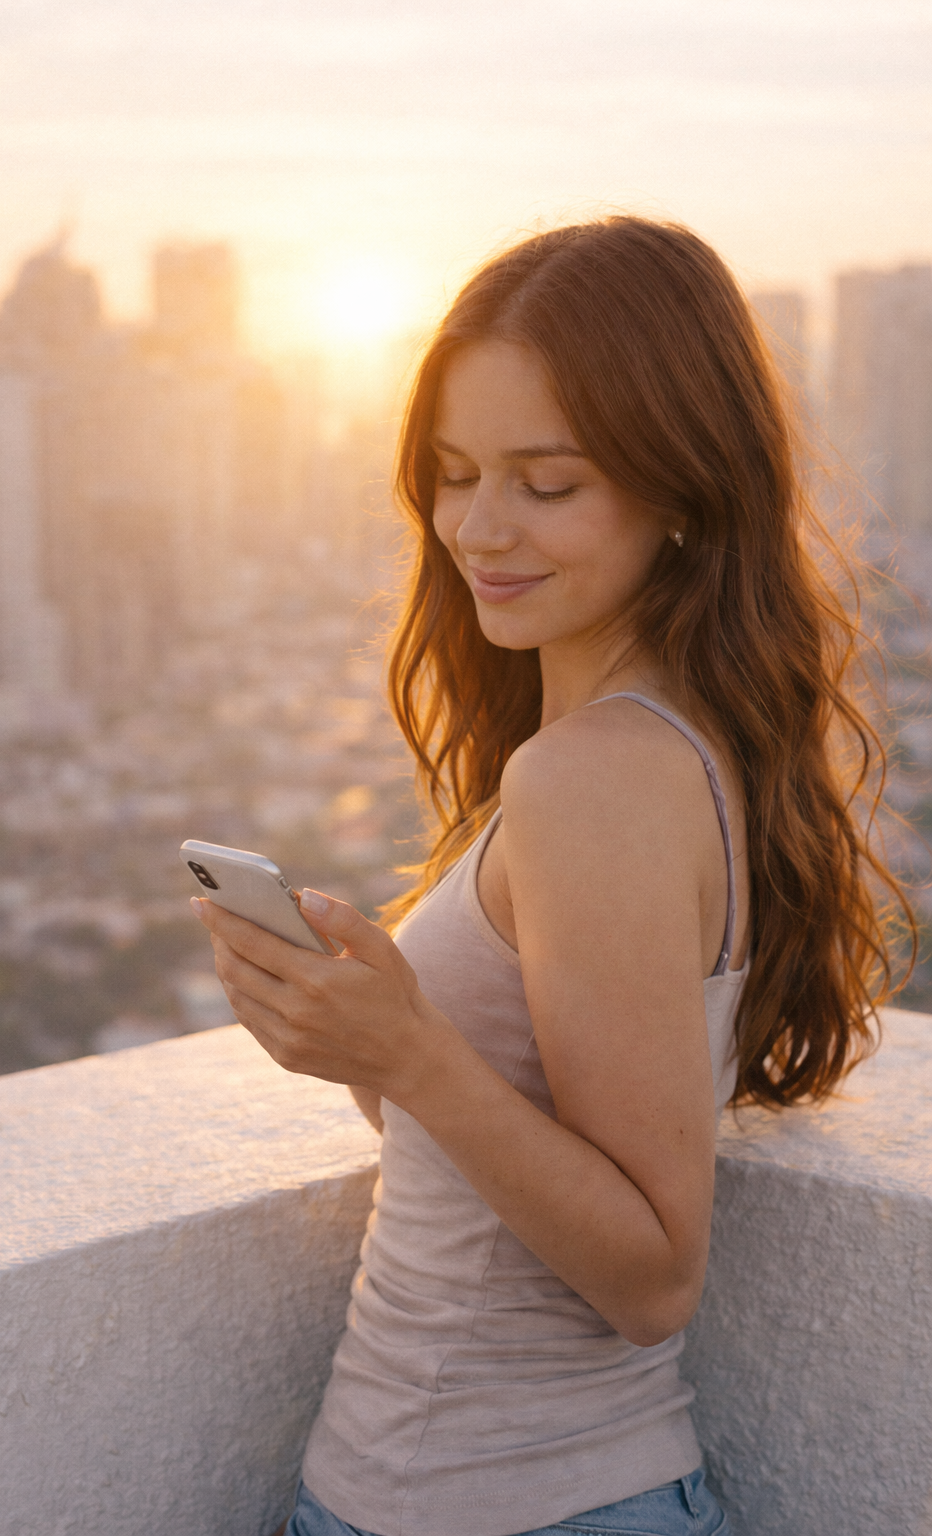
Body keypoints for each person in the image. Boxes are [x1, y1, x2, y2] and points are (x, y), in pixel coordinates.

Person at [193, 217, 910, 1536]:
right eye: (455, 474)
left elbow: (648, 1275)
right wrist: (363, 1033)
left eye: (549, 482)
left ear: (683, 489)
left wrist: (410, 1049)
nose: (478, 526)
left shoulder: (595, 779)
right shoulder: (645, 750)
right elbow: (501, 1156)